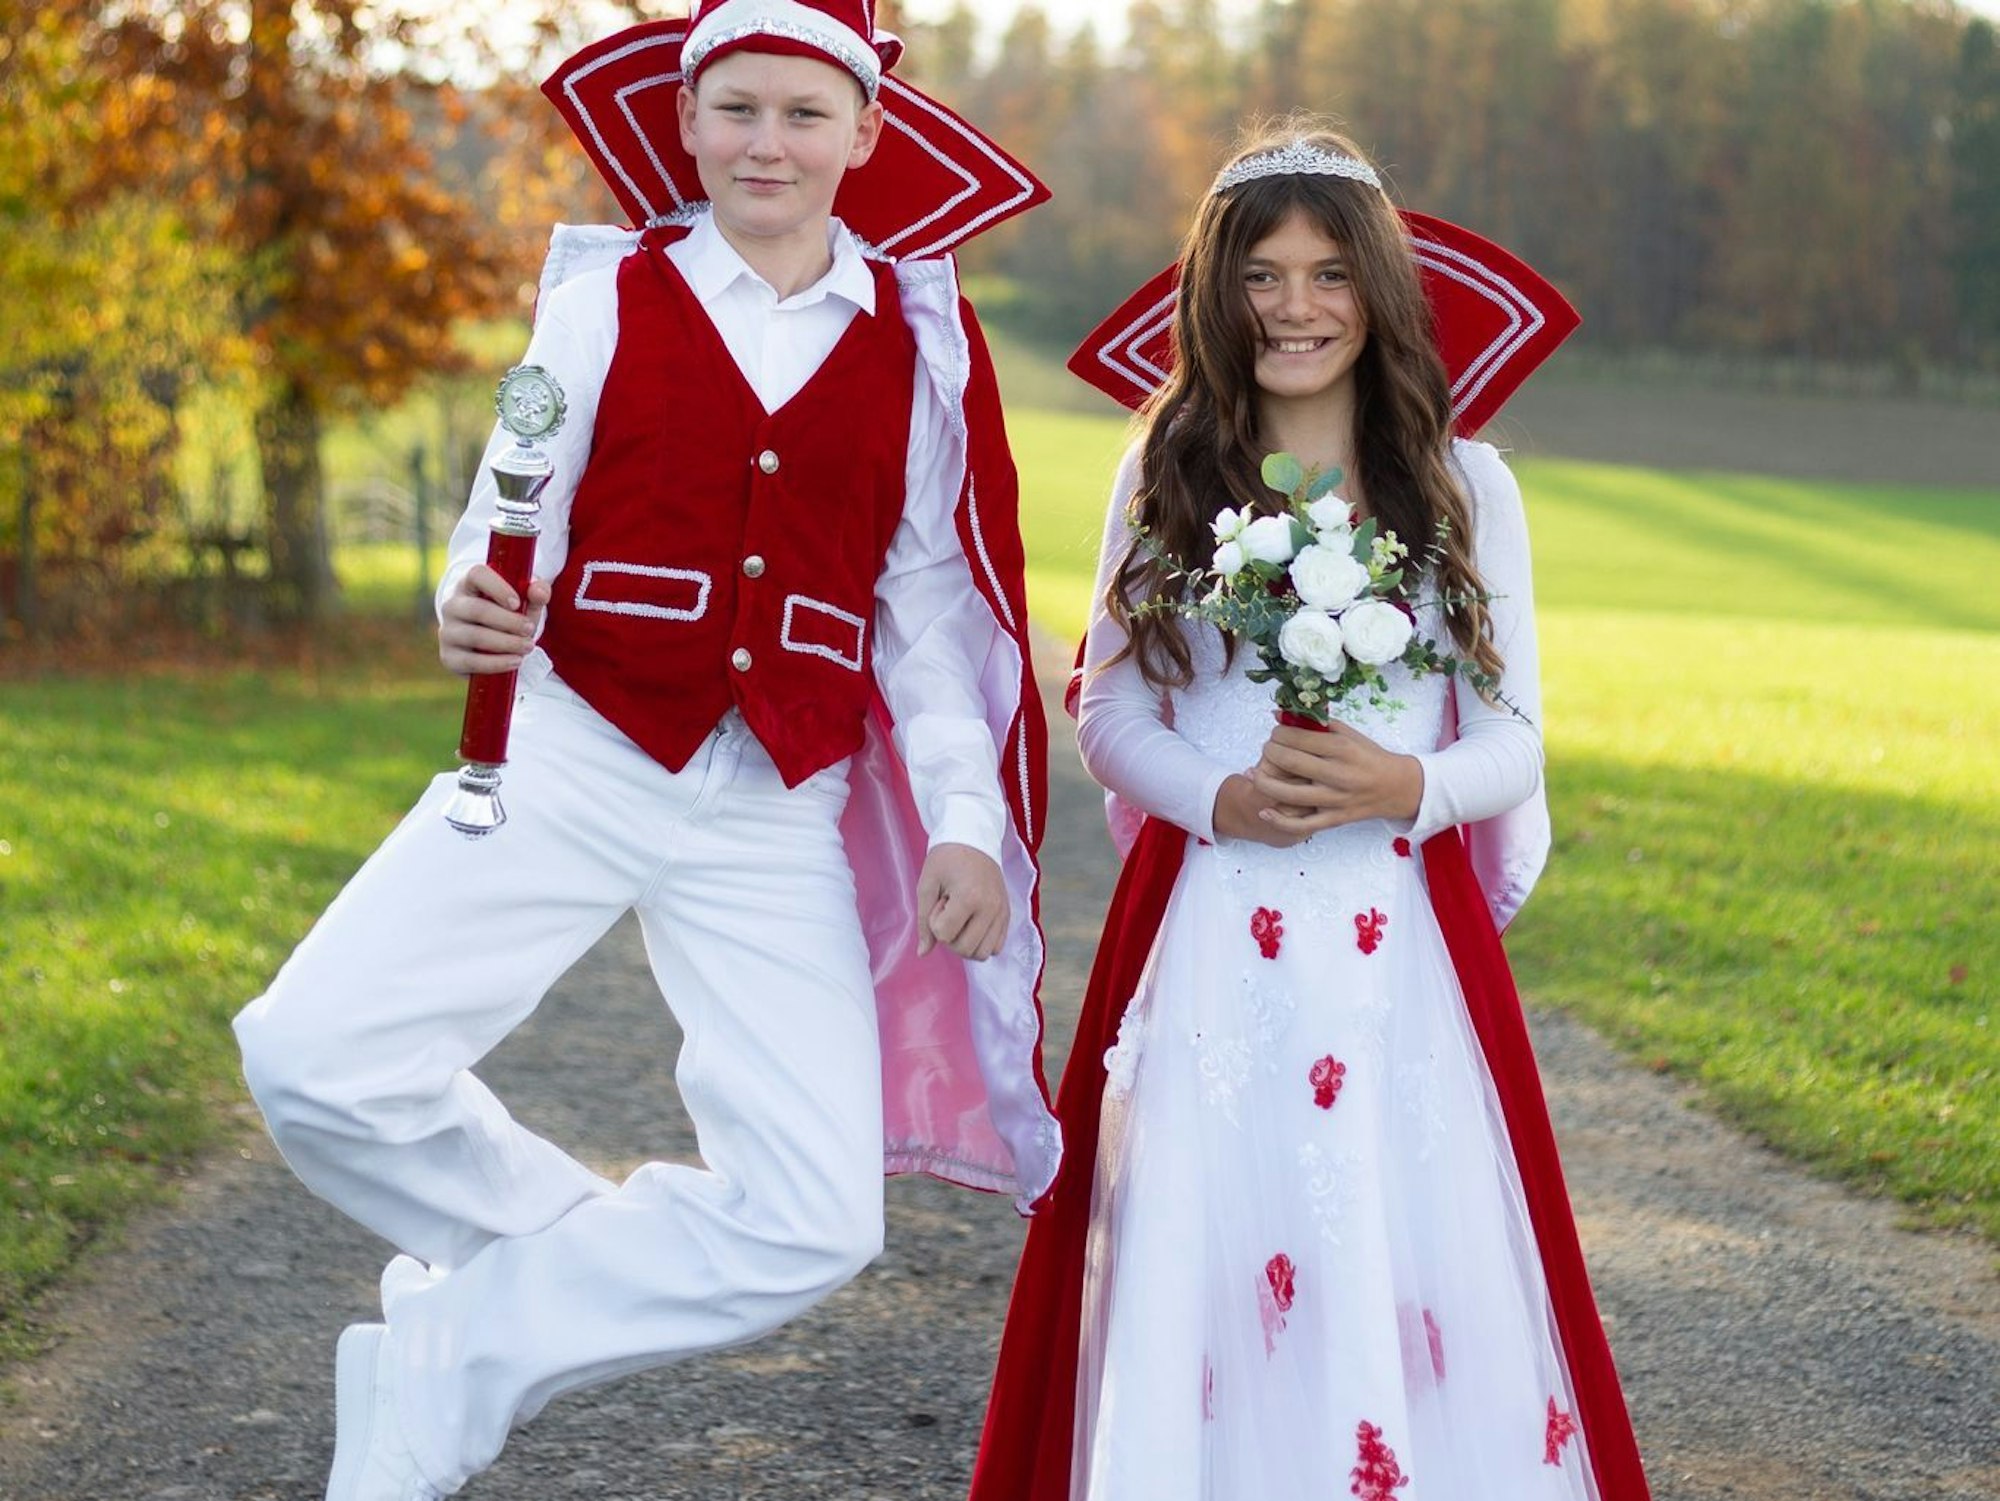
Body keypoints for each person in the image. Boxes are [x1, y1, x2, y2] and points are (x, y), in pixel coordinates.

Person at [231, 5, 1059, 1498]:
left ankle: (456, 1347)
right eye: (736, 108)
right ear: (687, 119)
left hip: (776, 801)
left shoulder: (914, 342)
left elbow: (935, 606)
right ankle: (496, 1296)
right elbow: (509, 503)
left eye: (806, 115)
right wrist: (468, 602)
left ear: (866, 133)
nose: (768, 142)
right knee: (309, 1058)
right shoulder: (608, 296)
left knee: (817, 1215)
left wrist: (965, 819)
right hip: (580, 744)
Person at [970, 123, 1651, 1501]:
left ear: (1380, 290)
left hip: (1394, 944)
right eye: (1262, 274)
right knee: (1210, 1237)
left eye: (1330, 272)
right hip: (1214, 927)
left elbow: (1515, 738)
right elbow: (1108, 710)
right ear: (1215, 293)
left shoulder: (1467, 485)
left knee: (1393, 1237)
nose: (1294, 305)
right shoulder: (1165, 463)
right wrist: (1217, 797)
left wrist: (1412, 785)